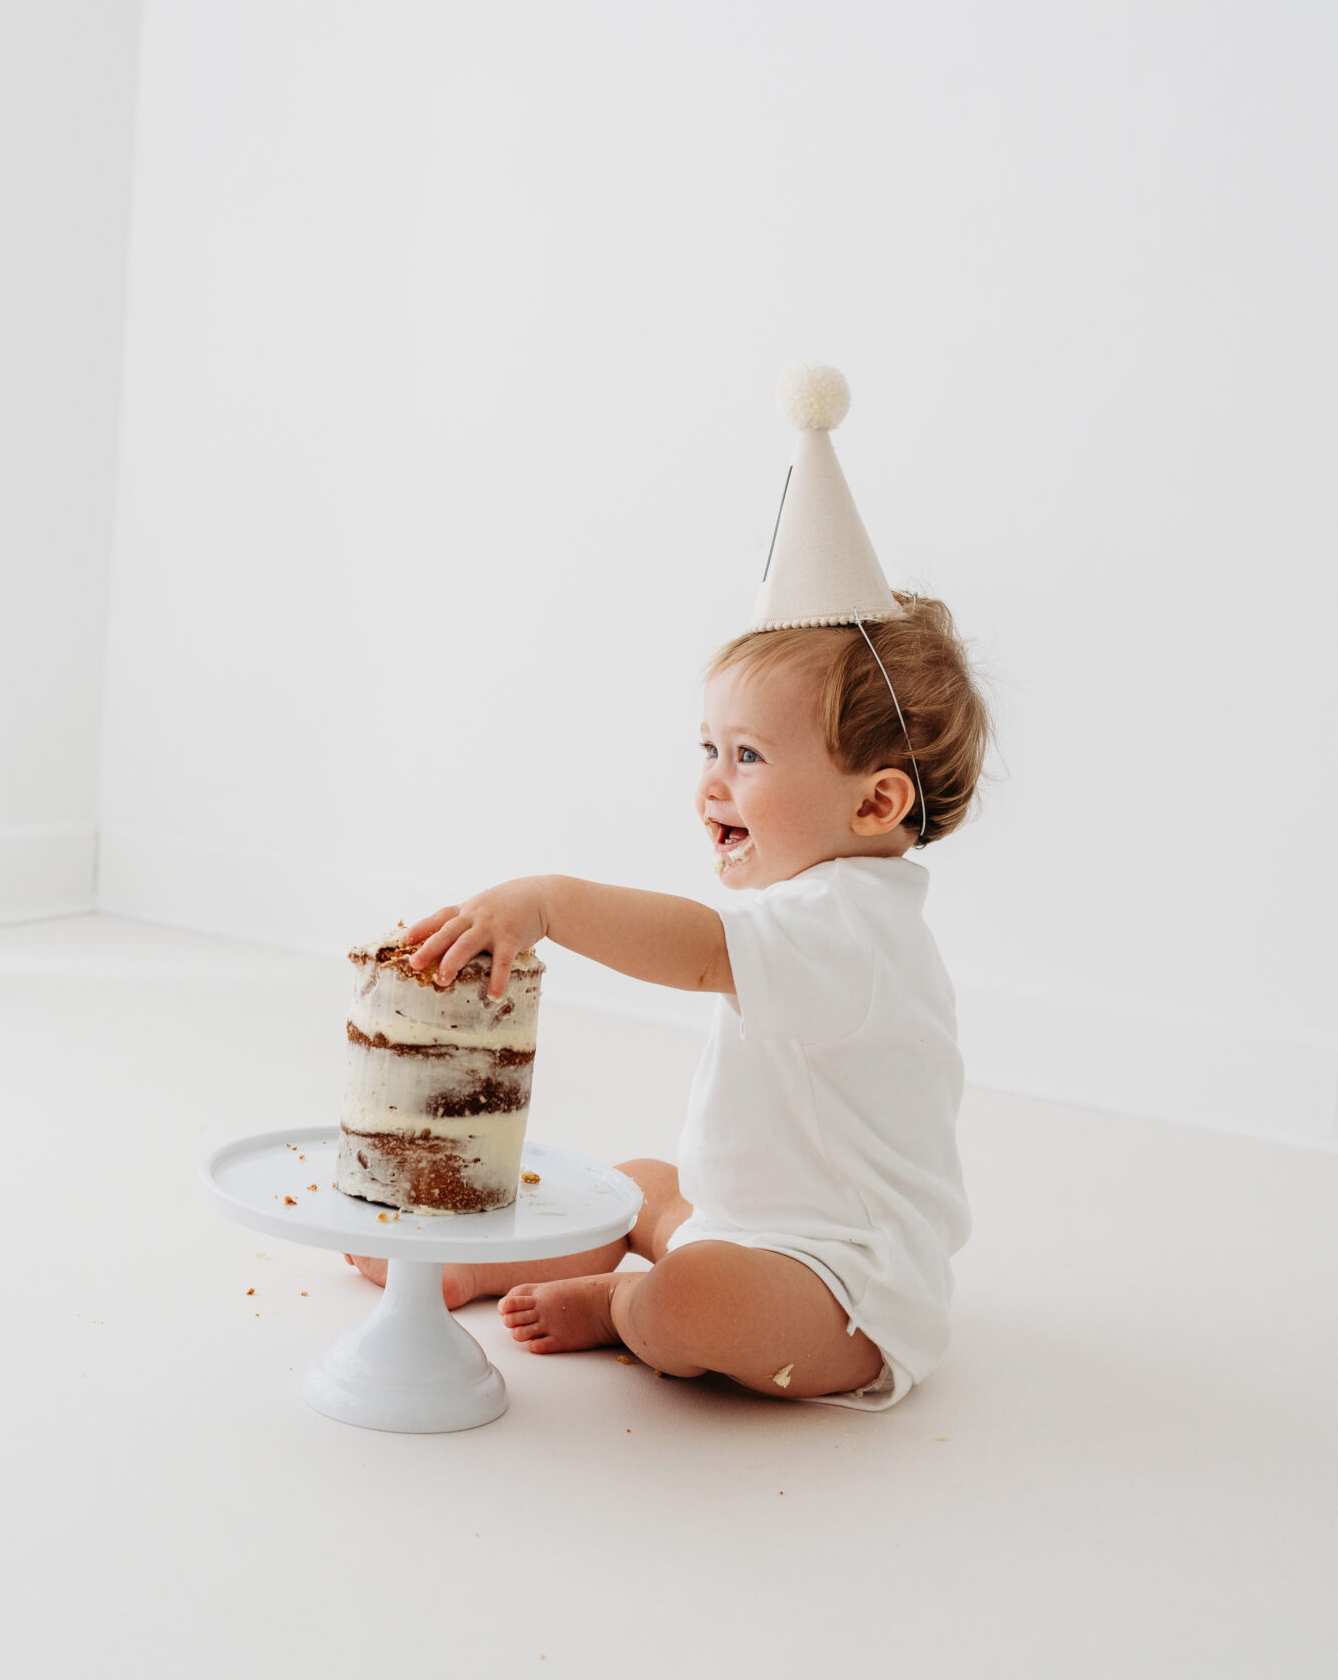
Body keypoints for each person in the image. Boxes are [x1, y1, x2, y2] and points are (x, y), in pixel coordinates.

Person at [348, 586, 991, 1408]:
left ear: (875, 802)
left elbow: (696, 950)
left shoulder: (848, 925)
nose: (712, 784)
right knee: (639, 1184)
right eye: (708, 749)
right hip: (745, 1230)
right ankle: (480, 1268)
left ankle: (627, 1304)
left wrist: (550, 902)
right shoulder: (821, 907)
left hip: (848, 1291)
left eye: (747, 756)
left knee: (694, 1294)